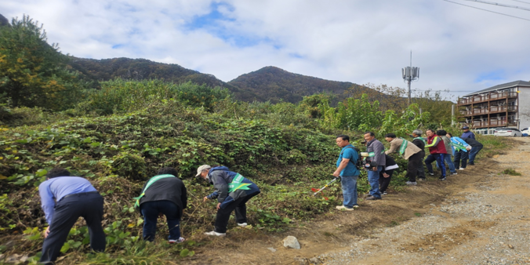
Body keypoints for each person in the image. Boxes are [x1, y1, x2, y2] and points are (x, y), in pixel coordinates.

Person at [38, 168, 105, 265]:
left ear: (48, 178)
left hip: (71, 201)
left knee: (56, 232)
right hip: (94, 199)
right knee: (96, 227)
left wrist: (51, 224)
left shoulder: (46, 183)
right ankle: (98, 257)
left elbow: (47, 204)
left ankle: (46, 262)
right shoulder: (79, 179)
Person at [197, 165, 260, 236]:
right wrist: (209, 197)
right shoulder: (221, 172)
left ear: (206, 170)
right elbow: (224, 188)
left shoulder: (214, 174)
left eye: (201, 175)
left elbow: (222, 189)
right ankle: (242, 224)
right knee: (239, 204)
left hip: (241, 189)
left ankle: (219, 232)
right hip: (251, 188)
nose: (201, 177)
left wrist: (221, 202)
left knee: (223, 208)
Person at [135, 167, 187, 243]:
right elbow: (183, 197)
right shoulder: (177, 180)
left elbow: (142, 193)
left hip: (146, 202)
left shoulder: (151, 180)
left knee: (149, 221)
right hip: (170, 201)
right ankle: (174, 238)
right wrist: (182, 208)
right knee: (173, 218)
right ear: (174, 175)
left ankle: (148, 241)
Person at [332, 135, 361, 211]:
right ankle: (354, 203)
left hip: (348, 172)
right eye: (337, 142)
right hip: (353, 172)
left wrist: (337, 171)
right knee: (352, 189)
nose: (338, 143)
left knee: (347, 189)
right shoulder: (352, 148)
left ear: (346, 141)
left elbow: (344, 161)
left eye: (339, 141)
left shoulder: (347, 150)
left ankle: (348, 206)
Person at [364, 132, 385, 200]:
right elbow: (369, 155)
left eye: (367, 136)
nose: (366, 138)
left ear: (372, 136)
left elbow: (377, 155)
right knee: (371, 179)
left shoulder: (376, 143)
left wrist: (375, 165)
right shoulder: (370, 143)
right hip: (370, 163)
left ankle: (376, 194)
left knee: (373, 179)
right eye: (365, 137)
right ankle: (372, 192)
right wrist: (365, 164)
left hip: (375, 164)